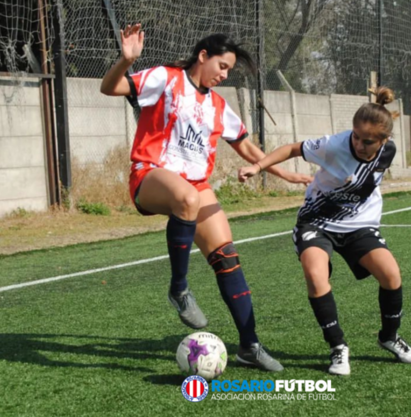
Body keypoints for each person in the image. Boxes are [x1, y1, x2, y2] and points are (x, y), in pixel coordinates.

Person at [100, 24, 312, 372]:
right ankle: (180, 290)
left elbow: (244, 145)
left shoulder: (217, 105)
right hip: (149, 175)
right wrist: (126, 61)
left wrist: (279, 172)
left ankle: (250, 345)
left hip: (194, 188)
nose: (224, 75)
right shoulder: (166, 79)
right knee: (187, 198)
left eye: (229, 70)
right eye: (222, 66)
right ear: (203, 56)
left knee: (228, 258)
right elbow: (110, 87)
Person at [238, 87, 411, 375]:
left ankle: (389, 337)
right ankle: (338, 347)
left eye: (368, 141)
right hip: (316, 221)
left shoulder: (389, 150)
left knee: (391, 275)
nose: (359, 144)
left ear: (384, 140)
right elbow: (293, 148)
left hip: (359, 224)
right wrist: (258, 166)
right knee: (315, 274)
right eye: (356, 137)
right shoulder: (334, 145)